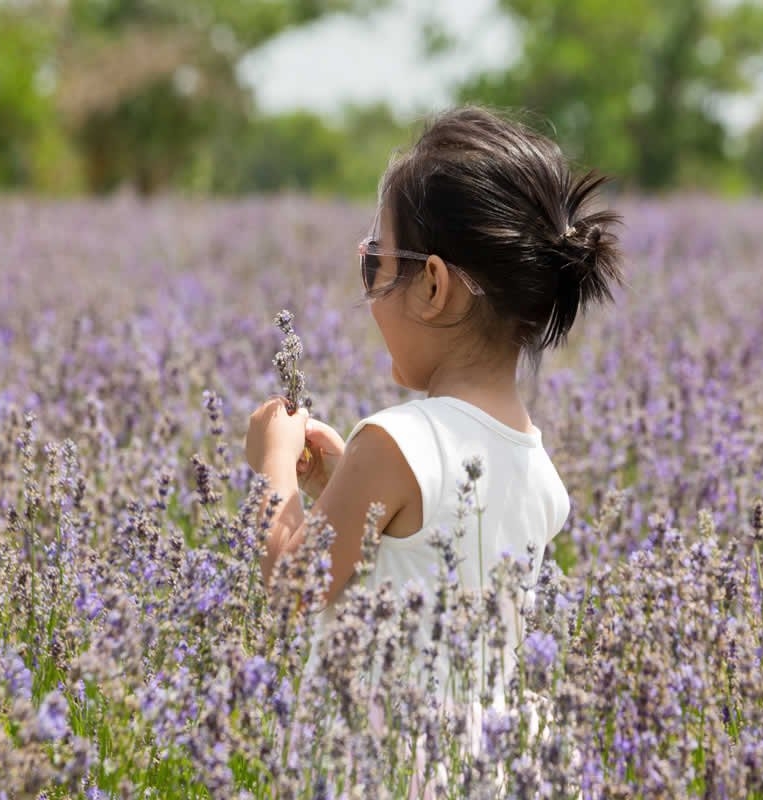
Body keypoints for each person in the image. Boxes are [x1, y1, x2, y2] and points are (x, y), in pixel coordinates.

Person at [244, 105, 621, 789]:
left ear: (434, 285)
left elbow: (295, 590)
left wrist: (273, 466)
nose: (367, 294)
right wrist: (341, 483)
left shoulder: (397, 441)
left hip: (390, 769)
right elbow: (437, 549)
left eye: (375, 265)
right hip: (489, 768)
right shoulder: (539, 468)